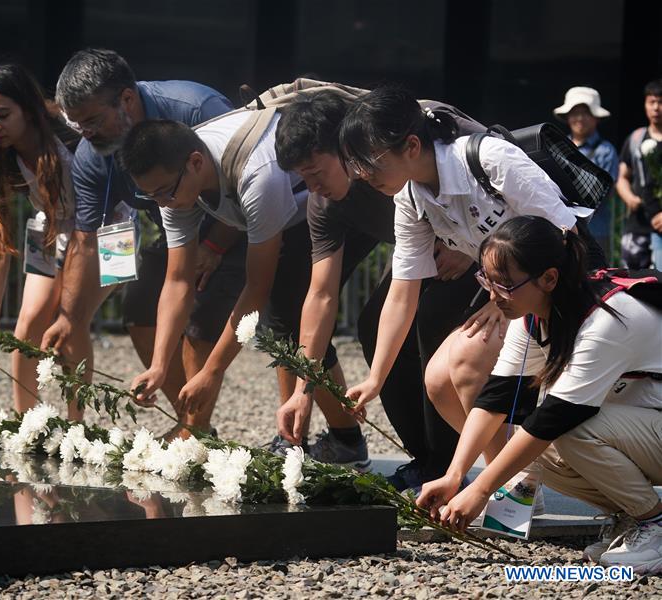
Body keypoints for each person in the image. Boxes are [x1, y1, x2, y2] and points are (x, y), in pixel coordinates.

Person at [338, 86, 599, 482]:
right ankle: (519, 481)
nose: (361, 174)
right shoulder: (410, 199)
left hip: (563, 285)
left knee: (465, 362)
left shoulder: (489, 159)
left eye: (369, 160)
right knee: (438, 381)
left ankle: (514, 489)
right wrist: (375, 378)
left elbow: (565, 233)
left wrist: (505, 295)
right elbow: (401, 292)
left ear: (411, 146)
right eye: (356, 163)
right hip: (515, 295)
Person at [119, 112, 371, 470]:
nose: (163, 203)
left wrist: (212, 371)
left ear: (195, 163)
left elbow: (257, 287)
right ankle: (335, 440)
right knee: (284, 316)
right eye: (152, 195)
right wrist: (160, 365)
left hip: (342, 198)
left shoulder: (258, 175)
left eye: (166, 192)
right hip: (291, 215)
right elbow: (177, 282)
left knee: (284, 312)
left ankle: (303, 441)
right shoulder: (174, 184)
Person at [417, 216, 662, 575]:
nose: (493, 295)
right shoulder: (533, 315)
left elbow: (555, 418)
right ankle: (633, 516)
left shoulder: (608, 320)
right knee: (533, 449)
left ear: (549, 278)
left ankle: (654, 523)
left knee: (563, 430)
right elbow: (497, 398)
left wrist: (482, 491)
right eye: (487, 280)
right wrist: (456, 475)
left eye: (505, 284)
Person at [272, 90, 475, 485]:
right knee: (373, 326)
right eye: (303, 179)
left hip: (480, 248)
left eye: (317, 172)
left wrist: (470, 247)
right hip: (420, 255)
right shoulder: (326, 205)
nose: (313, 187)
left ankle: (451, 462)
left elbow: (497, 177)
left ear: (345, 146)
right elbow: (321, 294)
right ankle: (426, 457)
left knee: (430, 329)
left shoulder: (406, 141)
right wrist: (303, 389)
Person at [42, 49, 244, 437]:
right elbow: (86, 242)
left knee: (200, 314)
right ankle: (194, 424)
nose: (85, 132)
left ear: (128, 100)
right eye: (77, 123)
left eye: (93, 120)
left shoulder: (197, 108)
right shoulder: (91, 155)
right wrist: (70, 316)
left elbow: (246, 180)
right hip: (176, 227)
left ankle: (191, 431)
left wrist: (215, 246)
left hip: (236, 224)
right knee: (138, 304)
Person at [0, 64, 79, 414]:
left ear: (27, 111)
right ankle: (26, 422)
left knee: (70, 321)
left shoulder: (71, 134)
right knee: (27, 325)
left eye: (2, 114)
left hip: (100, 231)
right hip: (49, 228)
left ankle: (78, 426)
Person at [553, 86, 619, 257]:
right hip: (563, 228)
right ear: (567, 117)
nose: (580, 118)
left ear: (596, 117)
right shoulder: (558, 147)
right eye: (575, 113)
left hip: (595, 231)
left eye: (586, 113)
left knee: (596, 278)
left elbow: (604, 192)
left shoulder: (606, 150)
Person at [617, 78, 662, 270]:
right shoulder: (636, 139)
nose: (656, 108)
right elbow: (623, 177)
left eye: (660, 102)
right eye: (651, 102)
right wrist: (629, 197)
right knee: (633, 280)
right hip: (638, 225)